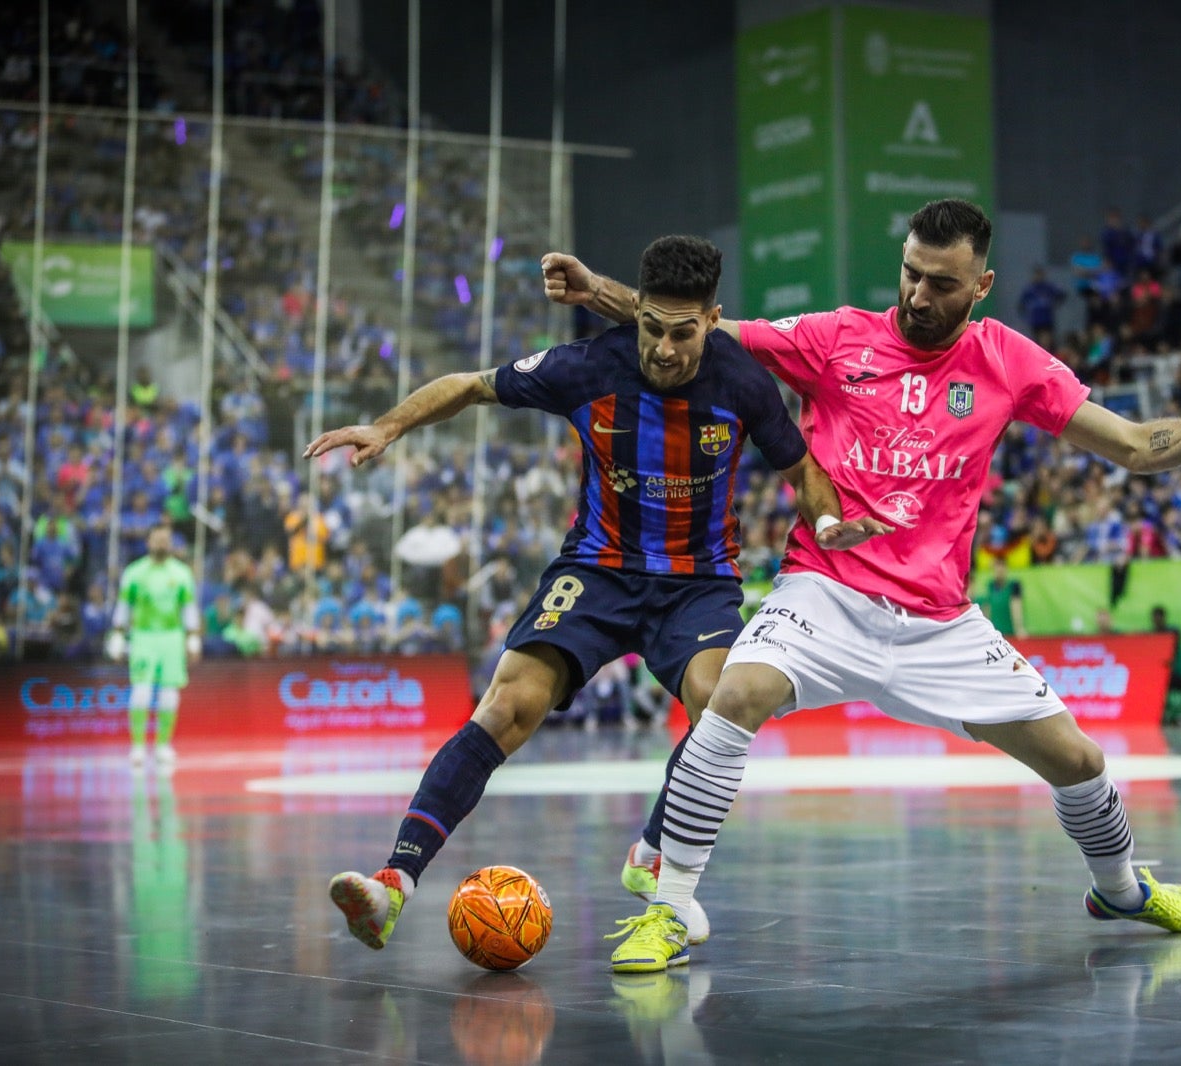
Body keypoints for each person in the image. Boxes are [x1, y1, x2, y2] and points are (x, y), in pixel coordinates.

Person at [544, 198, 1181, 972]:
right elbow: (703, 328)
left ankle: (1121, 890)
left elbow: (1138, 447)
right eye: (911, 274)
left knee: (1078, 762)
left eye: (942, 283)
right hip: (825, 592)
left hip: (940, 622)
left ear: (981, 285)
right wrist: (598, 288)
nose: (918, 295)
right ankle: (669, 909)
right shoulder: (835, 338)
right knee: (737, 695)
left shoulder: (1009, 361)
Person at [309, 236, 887, 952]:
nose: (666, 350)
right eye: (653, 328)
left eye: (684, 332)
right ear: (636, 312)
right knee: (507, 703)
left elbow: (802, 471)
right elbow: (469, 384)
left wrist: (827, 521)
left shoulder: (743, 383)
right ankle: (392, 885)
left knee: (721, 704)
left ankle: (651, 855)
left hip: (697, 583)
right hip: (598, 569)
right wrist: (386, 426)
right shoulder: (589, 366)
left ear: (712, 319)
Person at [107, 523, 202, 766]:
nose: (161, 544)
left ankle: (163, 745)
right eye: (157, 539)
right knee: (142, 691)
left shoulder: (181, 573)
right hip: (143, 637)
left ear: (170, 543)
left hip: (172, 637)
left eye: (165, 540)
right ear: (148, 542)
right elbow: (124, 605)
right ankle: (138, 747)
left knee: (169, 693)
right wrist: (118, 634)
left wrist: (192, 637)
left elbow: (188, 608)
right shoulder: (134, 573)